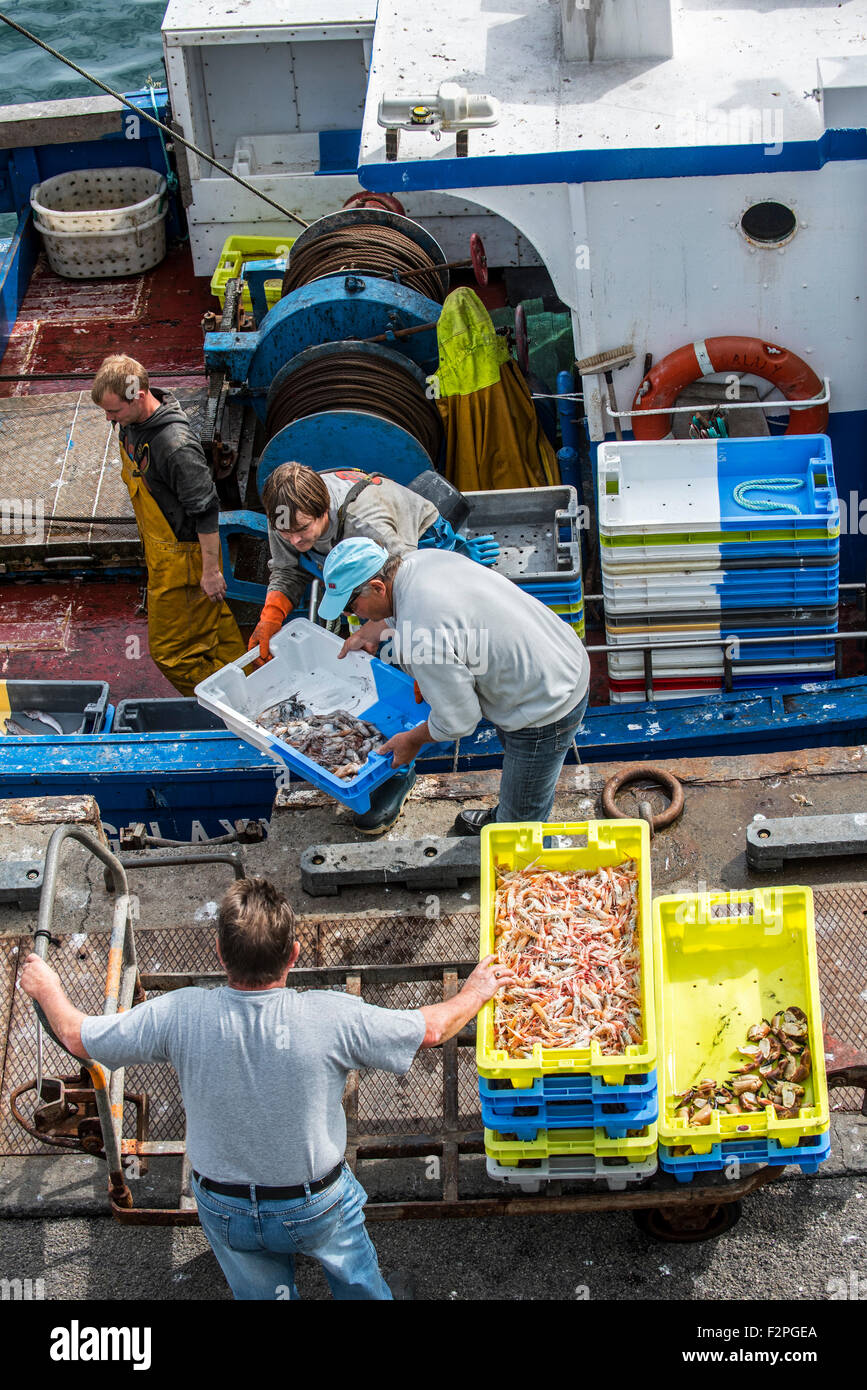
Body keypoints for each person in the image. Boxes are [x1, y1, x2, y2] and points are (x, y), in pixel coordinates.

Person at [20, 877, 515, 1301]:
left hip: (223, 1203)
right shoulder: (329, 1016)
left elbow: (76, 1034)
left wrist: (45, 986)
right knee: (356, 1275)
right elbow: (430, 1029)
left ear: (219, 953)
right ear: (294, 955)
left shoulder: (178, 1014)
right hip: (316, 1202)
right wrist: (476, 989)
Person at [319, 539, 590, 835]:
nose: (350, 615)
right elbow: (430, 618)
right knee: (523, 777)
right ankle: (512, 810)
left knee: (521, 823)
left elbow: (460, 721)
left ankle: (518, 837)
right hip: (557, 652)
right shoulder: (422, 561)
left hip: (546, 704)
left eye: (350, 605)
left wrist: (412, 739)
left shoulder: (420, 637)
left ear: (377, 586)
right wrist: (371, 631)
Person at [91, 354, 244, 695]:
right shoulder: (131, 423)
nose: (108, 418)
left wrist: (210, 571)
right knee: (213, 628)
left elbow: (206, 509)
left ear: (139, 395)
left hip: (184, 561)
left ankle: (231, 706)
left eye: (113, 411)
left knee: (172, 654)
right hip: (160, 553)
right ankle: (250, 678)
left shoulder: (175, 448)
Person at [249, 461, 499, 665]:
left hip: (416, 545)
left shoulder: (367, 524)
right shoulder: (284, 515)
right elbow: (287, 570)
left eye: (302, 530)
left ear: (324, 510)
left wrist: (426, 665)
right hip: (353, 562)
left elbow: (412, 590)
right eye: (286, 533)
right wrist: (270, 617)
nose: (293, 540)